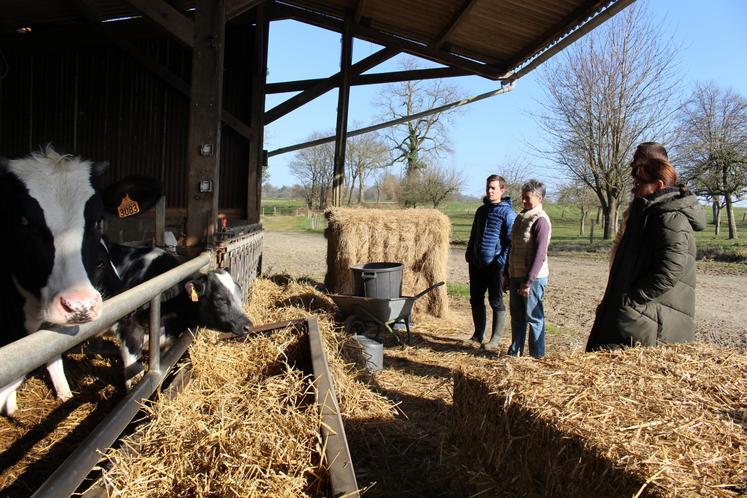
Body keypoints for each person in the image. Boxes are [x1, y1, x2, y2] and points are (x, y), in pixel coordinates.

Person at [586, 142, 706, 351]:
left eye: (639, 183)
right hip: (639, 311)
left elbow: (670, 269)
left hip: (650, 318)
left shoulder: (670, 218)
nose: (633, 188)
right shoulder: (647, 213)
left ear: (659, 185)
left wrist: (632, 300)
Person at [463, 174, 516, 349]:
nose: (490, 191)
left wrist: (501, 262)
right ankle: (478, 335)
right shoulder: (481, 210)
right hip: (476, 264)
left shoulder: (508, 213)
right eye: (488, 187)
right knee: (476, 299)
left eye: (493, 188)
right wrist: (470, 253)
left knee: (496, 301)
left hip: (495, 267)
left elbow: (510, 241)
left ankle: (495, 339)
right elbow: (474, 234)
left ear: (502, 190)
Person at [505, 180, 552, 358]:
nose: (523, 201)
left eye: (528, 198)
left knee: (533, 317)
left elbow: (540, 254)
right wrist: (506, 274)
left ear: (540, 198)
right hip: (516, 274)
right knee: (517, 316)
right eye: (522, 197)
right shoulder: (520, 217)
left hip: (533, 278)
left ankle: (537, 356)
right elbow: (513, 247)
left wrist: (528, 281)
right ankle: (515, 351)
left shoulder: (540, 220)